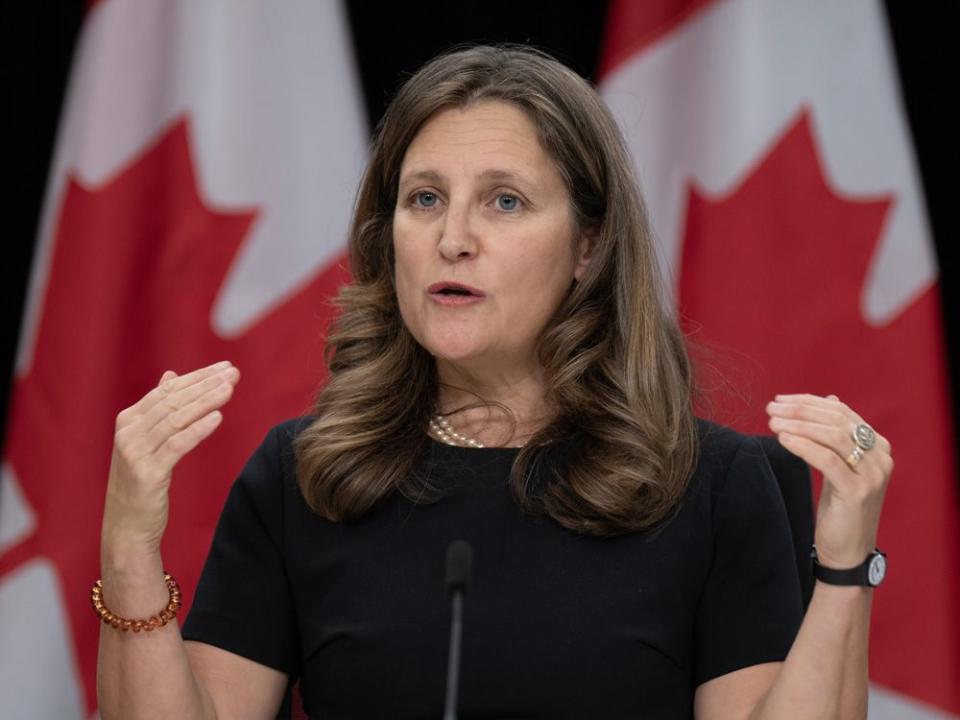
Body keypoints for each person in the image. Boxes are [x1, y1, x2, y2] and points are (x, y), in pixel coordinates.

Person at [95, 45, 892, 719]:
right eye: (424, 199)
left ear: (588, 248)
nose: (452, 239)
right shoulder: (306, 476)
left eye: (504, 201)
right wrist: (129, 545)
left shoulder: (715, 488)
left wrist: (845, 568)